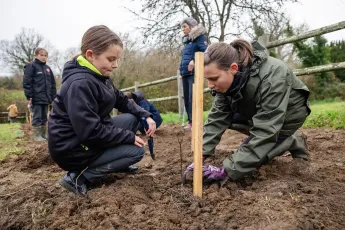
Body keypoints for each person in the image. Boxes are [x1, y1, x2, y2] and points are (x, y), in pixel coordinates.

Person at [48, 25, 156, 196]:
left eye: (117, 59)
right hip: (73, 148)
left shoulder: (100, 75)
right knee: (136, 151)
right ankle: (78, 178)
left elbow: (120, 99)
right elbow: (90, 132)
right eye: (111, 59)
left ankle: (117, 162)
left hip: (88, 135)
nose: (116, 65)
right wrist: (128, 136)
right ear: (91, 55)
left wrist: (145, 115)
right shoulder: (80, 84)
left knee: (133, 119)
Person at [184, 39, 311, 183]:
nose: (210, 85)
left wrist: (227, 170)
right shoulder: (225, 83)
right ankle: (278, 139)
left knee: (256, 157)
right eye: (207, 79)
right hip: (257, 110)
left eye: (214, 79)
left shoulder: (273, 75)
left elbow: (265, 130)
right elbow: (217, 118)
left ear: (233, 68)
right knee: (230, 123)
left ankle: (290, 138)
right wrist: (201, 154)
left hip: (288, 115)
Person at [179, 17, 208, 130]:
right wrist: (181, 70)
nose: (183, 29)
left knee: (193, 98)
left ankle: (197, 122)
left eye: (184, 26)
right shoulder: (188, 42)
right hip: (186, 73)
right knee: (187, 98)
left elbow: (206, 51)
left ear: (191, 27)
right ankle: (191, 122)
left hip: (194, 73)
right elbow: (184, 58)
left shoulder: (200, 38)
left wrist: (195, 61)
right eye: (182, 27)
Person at [23, 48, 56, 141]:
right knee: (37, 117)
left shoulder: (48, 69)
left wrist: (53, 96)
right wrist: (29, 96)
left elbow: (52, 84)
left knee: (44, 117)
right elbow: (27, 82)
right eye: (41, 55)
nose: (44, 57)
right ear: (36, 55)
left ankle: (43, 135)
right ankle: (37, 136)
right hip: (36, 97)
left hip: (46, 98)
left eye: (45, 55)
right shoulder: (31, 66)